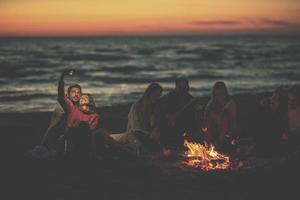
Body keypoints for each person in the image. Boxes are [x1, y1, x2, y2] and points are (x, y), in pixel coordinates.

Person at [111, 83, 163, 156]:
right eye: (156, 95)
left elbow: (156, 125)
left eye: (159, 95)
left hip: (147, 137)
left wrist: (156, 131)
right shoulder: (137, 107)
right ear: (149, 93)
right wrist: (149, 135)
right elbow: (136, 129)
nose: (157, 97)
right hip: (134, 135)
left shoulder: (155, 108)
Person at [57, 70, 100, 156]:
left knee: (86, 127)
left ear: (90, 100)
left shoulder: (95, 116)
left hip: (86, 139)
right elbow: (61, 96)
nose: (77, 95)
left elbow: (92, 130)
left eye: (79, 93)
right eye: (73, 92)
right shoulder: (72, 108)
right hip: (70, 136)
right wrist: (62, 77)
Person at [157, 77, 197, 152]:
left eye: (185, 87)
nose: (183, 89)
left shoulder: (191, 99)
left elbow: (193, 117)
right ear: (176, 87)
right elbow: (162, 113)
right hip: (170, 128)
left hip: (186, 127)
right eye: (181, 87)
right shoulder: (168, 98)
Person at [40, 83, 82, 152]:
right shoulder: (64, 106)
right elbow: (61, 97)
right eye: (73, 92)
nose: (76, 94)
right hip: (58, 136)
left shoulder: (78, 107)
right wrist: (61, 81)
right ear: (67, 95)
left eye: (78, 92)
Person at [203, 81, 238, 150]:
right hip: (215, 129)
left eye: (221, 94)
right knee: (209, 122)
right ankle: (207, 145)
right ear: (214, 94)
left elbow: (233, 120)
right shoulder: (211, 104)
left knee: (225, 117)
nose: (219, 96)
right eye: (217, 94)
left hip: (228, 130)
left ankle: (219, 143)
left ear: (225, 93)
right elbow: (206, 119)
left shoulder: (230, 103)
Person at [254, 87, 288, 155]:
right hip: (264, 146)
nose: (271, 100)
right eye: (272, 97)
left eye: (275, 99)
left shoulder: (282, 118)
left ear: (281, 103)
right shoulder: (266, 112)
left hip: (274, 150)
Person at [282, 85, 300, 153]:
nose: (290, 102)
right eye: (288, 99)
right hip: (288, 136)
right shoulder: (287, 109)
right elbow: (285, 123)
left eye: (293, 100)